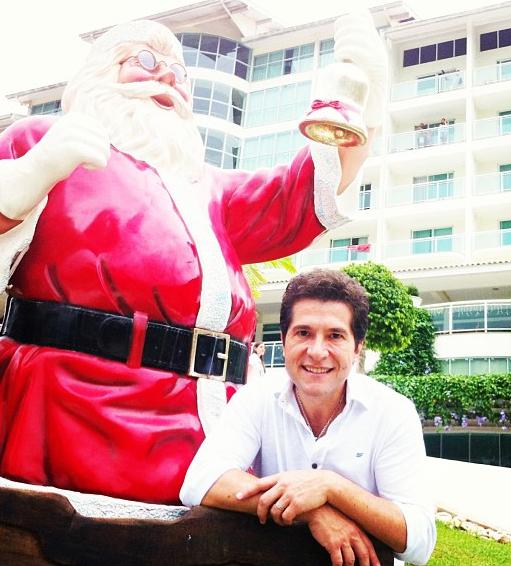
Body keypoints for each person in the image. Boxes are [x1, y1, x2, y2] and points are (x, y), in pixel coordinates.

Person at [0, 15, 386, 504]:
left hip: (214, 425)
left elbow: (299, 197)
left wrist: (367, 96)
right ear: (97, 75)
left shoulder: (209, 189)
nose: (168, 77)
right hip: (82, 413)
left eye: (180, 73)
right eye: (145, 60)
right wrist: (29, 175)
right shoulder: (44, 141)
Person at [180, 270, 436, 566]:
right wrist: (311, 510)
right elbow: (200, 482)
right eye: (303, 333)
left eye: (335, 335)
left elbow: (420, 542)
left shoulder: (393, 412)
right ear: (285, 340)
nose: (316, 352)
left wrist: (330, 487)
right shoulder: (256, 398)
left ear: (357, 347)